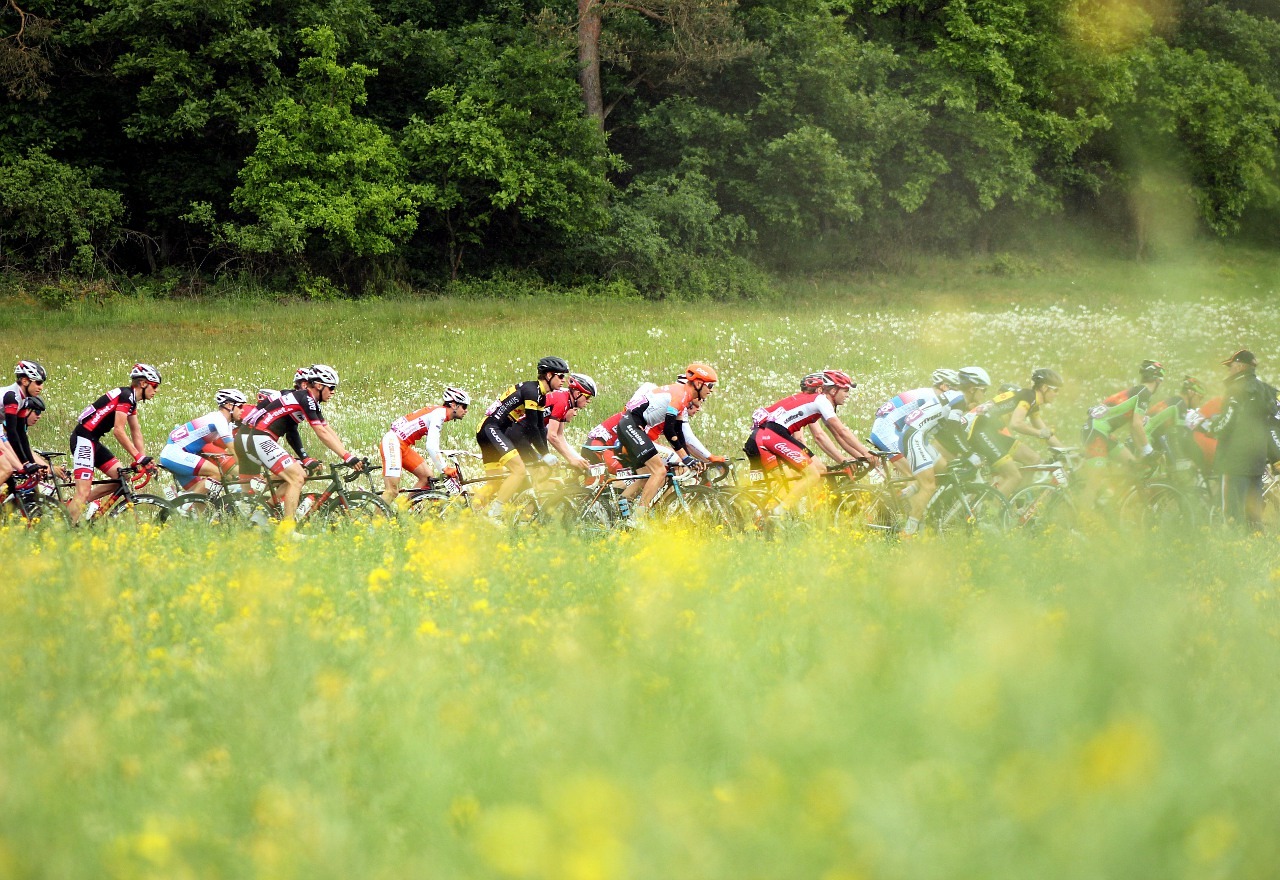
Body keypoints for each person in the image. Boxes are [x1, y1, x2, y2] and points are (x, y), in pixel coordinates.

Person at [236, 364, 364, 520]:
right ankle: (287, 528)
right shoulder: (305, 398)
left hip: (263, 438)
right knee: (296, 478)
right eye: (331, 387)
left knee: (300, 475)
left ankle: (262, 514)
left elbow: (327, 429)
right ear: (318, 385)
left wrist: (348, 455)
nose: (333, 392)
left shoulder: (311, 401)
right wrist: (347, 457)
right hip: (260, 437)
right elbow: (321, 433)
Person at [744, 369, 873, 519]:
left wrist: (854, 457)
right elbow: (841, 431)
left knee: (820, 468)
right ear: (832, 390)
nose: (847, 394)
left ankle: (810, 511)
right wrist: (866, 453)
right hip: (773, 434)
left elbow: (835, 435)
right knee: (812, 474)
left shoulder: (819, 402)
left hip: (777, 433)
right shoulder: (821, 400)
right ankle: (779, 513)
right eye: (845, 390)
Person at [616, 363, 718, 525]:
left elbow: (678, 433)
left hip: (632, 426)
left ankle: (616, 512)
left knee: (647, 477)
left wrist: (689, 458)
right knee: (659, 472)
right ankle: (637, 519)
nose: (711, 390)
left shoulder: (684, 398)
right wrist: (685, 459)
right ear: (698, 384)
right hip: (632, 426)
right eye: (710, 385)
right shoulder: (680, 395)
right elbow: (670, 432)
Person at [474, 356, 570, 522]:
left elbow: (540, 428)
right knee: (518, 470)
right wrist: (544, 455)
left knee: (494, 483)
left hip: (490, 430)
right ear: (548, 375)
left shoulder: (540, 395)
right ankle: (493, 515)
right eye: (560, 376)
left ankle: (468, 514)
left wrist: (545, 453)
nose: (564, 381)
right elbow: (532, 427)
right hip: (491, 429)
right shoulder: (532, 392)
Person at [1190, 350, 1274, 530]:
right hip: (1257, 460)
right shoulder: (1267, 390)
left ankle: (1232, 548)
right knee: (1254, 516)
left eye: (1231, 366)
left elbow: (1228, 420)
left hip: (1234, 460)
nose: (1229, 370)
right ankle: (1254, 549)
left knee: (1232, 514)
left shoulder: (1236, 389)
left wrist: (1210, 428)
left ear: (1241, 366)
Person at [67, 363, 162, 523]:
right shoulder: (126, 396)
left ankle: (72, 507)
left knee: (122, 478)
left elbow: (135, 430)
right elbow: (118, 430)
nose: (156, 390)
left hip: (92, 441)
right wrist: (138, 457)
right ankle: (64, 530)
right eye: (154, 386)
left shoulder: (130, 399)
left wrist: (143, 459)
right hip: (83, 439)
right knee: (82, 491)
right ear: (144, 383)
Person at [966, 367, 1066, 495]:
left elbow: (1044, 431)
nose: (1057, 394)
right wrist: (1039, 433)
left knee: (1033, 459)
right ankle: (992, 512)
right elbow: (1016, 424)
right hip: (980, 431)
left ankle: (1019, 504)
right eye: (1055, 390)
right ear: (1045, 388)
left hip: (989, 432)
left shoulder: (1032, 402)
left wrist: (1065, 451)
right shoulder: (1028, 397)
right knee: (1014, 476)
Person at [379, 386, 470, 505]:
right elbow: (431, 446)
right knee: (392, 491)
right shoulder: (439, 415)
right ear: (453, 405)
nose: (466, 411)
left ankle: (404, 511)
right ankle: (375, 523)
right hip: (393, 443)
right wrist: (444, 468)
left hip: (402, 445)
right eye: (464, 406)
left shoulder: (438, 412)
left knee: (427, 477)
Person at [158, 390, 249, 493]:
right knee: (217, 475)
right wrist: (245, 471)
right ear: (229, 405)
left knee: (200, 497)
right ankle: (187, 504)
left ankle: (177, 506)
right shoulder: (219, 419)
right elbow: (232, 448)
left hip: (175, 454)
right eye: (240, 406)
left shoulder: (223, 422)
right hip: (176, 454)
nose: (243, 410)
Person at [540, 373, 596, 472]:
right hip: (518, 432)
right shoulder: (562, 401)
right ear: (578, 394)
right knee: (541, 472)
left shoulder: (566, 401)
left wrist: (579, 459)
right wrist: (571, 459)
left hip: (526, 434)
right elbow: (551, 436)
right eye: (587, 397)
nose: (588, 401)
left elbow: (559, 435)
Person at [3, 360, 47, 470]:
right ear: (24, 381)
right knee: (7, 470)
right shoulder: (12, 397)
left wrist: (32, 462)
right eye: (38, 383)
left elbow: (21, 433)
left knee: (10, 479)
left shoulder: (22, 400)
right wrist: (25, 463)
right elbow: (12, 432)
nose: (41, 387)